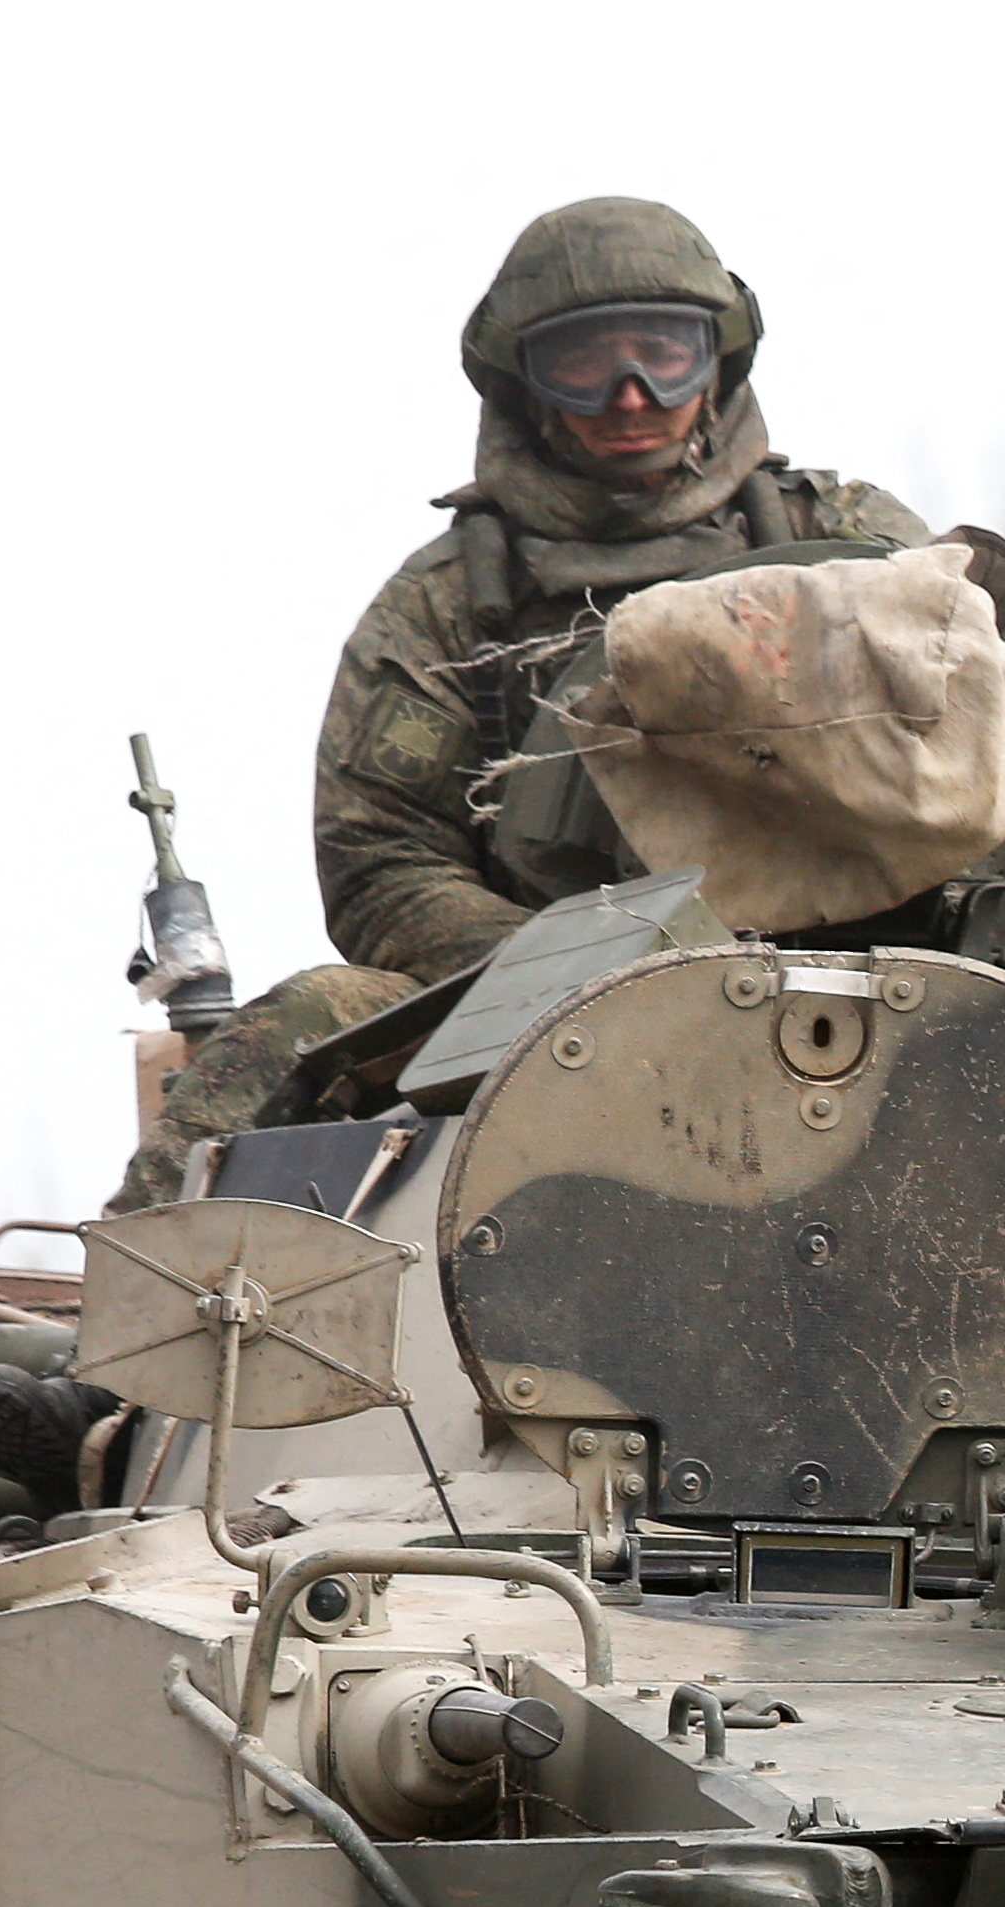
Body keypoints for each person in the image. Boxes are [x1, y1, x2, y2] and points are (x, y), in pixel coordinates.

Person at [108, 196, 929, 1211]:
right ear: (524, 384)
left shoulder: (858, 547)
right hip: (537, 999)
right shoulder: (448, 604)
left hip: (869, 983)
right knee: (314, 1015)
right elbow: (379, 860)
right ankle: (128, 1330)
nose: (631, 397)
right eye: (585, 364)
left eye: (662, 356)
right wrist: (584, 967)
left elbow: (992, 755)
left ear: (719, 362)